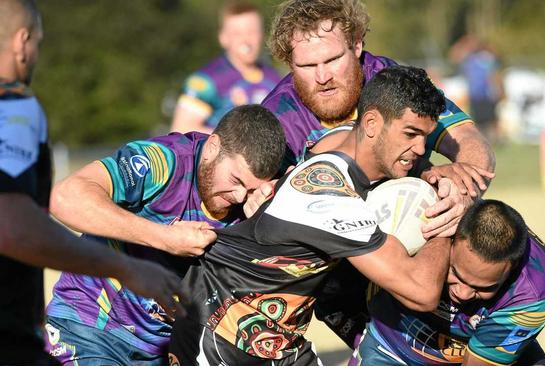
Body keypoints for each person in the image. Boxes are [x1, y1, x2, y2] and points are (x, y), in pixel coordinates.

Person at [168, 65, 453, 365]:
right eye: (411, 134)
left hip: (275, 339)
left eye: (425, 136)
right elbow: (421, 291)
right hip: (218, 333)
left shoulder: (344, 143)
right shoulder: (325, 197)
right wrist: (444, 222)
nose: (421, 148)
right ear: (370, 123)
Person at [256, 0, 495, 347]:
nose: (322, 77)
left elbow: (470, 140)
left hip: (428, 244)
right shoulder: (278, 117)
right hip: (346, 276)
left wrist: (462, 190)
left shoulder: (390, 82)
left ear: (356, 45)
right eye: (306, 65)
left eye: (332, 60)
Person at [0, 1, 188, 364]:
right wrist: (125, 267)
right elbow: (13, 225)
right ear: (23, 41)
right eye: (38, 41)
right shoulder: (13, 107)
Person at [44, 105, 286, 364]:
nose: (239, 197)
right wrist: (165, 238)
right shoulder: (165, 162)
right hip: (87, 327)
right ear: (213, 147)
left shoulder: (256, 202)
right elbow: (65, 198)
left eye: (251, 189)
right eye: (236, 181)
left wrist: (265, 222)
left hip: (159, 352)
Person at [349, 199, 545, 366]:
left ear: (512, 269)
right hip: (391, 344)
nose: (463, 293)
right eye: (456, 274)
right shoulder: (422, 221)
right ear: (451, 238)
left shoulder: (534, 295)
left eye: (484, 287)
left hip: (475, 348)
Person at [170, 1, 282, 134]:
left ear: (262, 35)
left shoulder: (275, 79)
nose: (246, 39)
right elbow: (180, 129)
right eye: (237, 33)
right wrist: (236, 138)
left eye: (252, 31)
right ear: (223, 38)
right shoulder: (206, 81)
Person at [450, 35, 504, 144]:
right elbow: (453, 55)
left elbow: (495, 73)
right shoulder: (468, 60)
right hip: (474, 95)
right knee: (478, 121)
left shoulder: (487, 57)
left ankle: (496, 141)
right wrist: (464, 41)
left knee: (491, 119)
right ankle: (482, 142)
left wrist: (500, 89)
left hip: (488, 94)